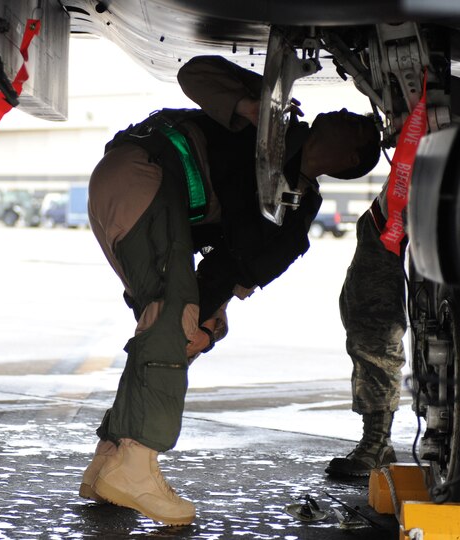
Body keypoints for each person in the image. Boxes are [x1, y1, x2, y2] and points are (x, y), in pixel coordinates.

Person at [79, 55, 381, 525]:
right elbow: (192, 73)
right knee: (175, 315)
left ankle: (110, 459)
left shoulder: (297, 214)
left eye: (361, 129)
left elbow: (240, 266)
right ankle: (135, 466)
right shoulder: (274, 120)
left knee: (177, 325)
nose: (349, 115)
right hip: (150, 173)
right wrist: (252, 104)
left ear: (348, 161)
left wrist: (209, 317)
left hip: (142, 192)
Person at [325, 186, 404, 478]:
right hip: (401, 207)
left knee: (373, 317)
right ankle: (376, 442)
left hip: (412, 202)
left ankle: (377, 443)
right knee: (371, 315)